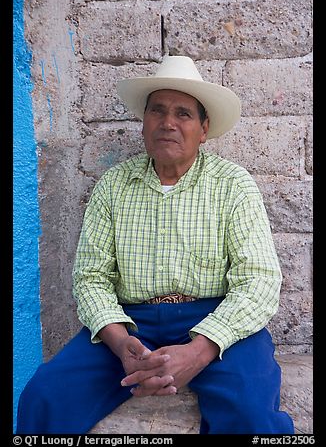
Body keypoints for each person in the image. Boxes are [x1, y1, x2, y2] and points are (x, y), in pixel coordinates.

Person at [16, 55, 295, 434]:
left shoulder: (233, 184)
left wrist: (199, 351)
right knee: (43, 398)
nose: (168, 123)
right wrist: (119, 341)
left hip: (215, 320)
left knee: (252, 416)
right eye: (158, 111)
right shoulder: (114, 186)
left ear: (204, 128)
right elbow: (91, 278)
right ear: (144, 122)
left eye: (183, 114)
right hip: (131, 324)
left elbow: (258, 281)